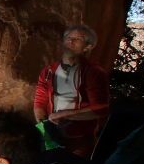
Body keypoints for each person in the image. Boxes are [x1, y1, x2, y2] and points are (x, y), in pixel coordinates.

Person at [33, 24, 109, 157]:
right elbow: (40, 101)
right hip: (52, 135)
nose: (70, 41)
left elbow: (101, 108)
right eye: (68, 37)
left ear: (88, 47)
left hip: (79, 139)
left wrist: (65, 114)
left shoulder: (94, 72)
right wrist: (44, 128)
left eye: (77, 39)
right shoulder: (48, 71)